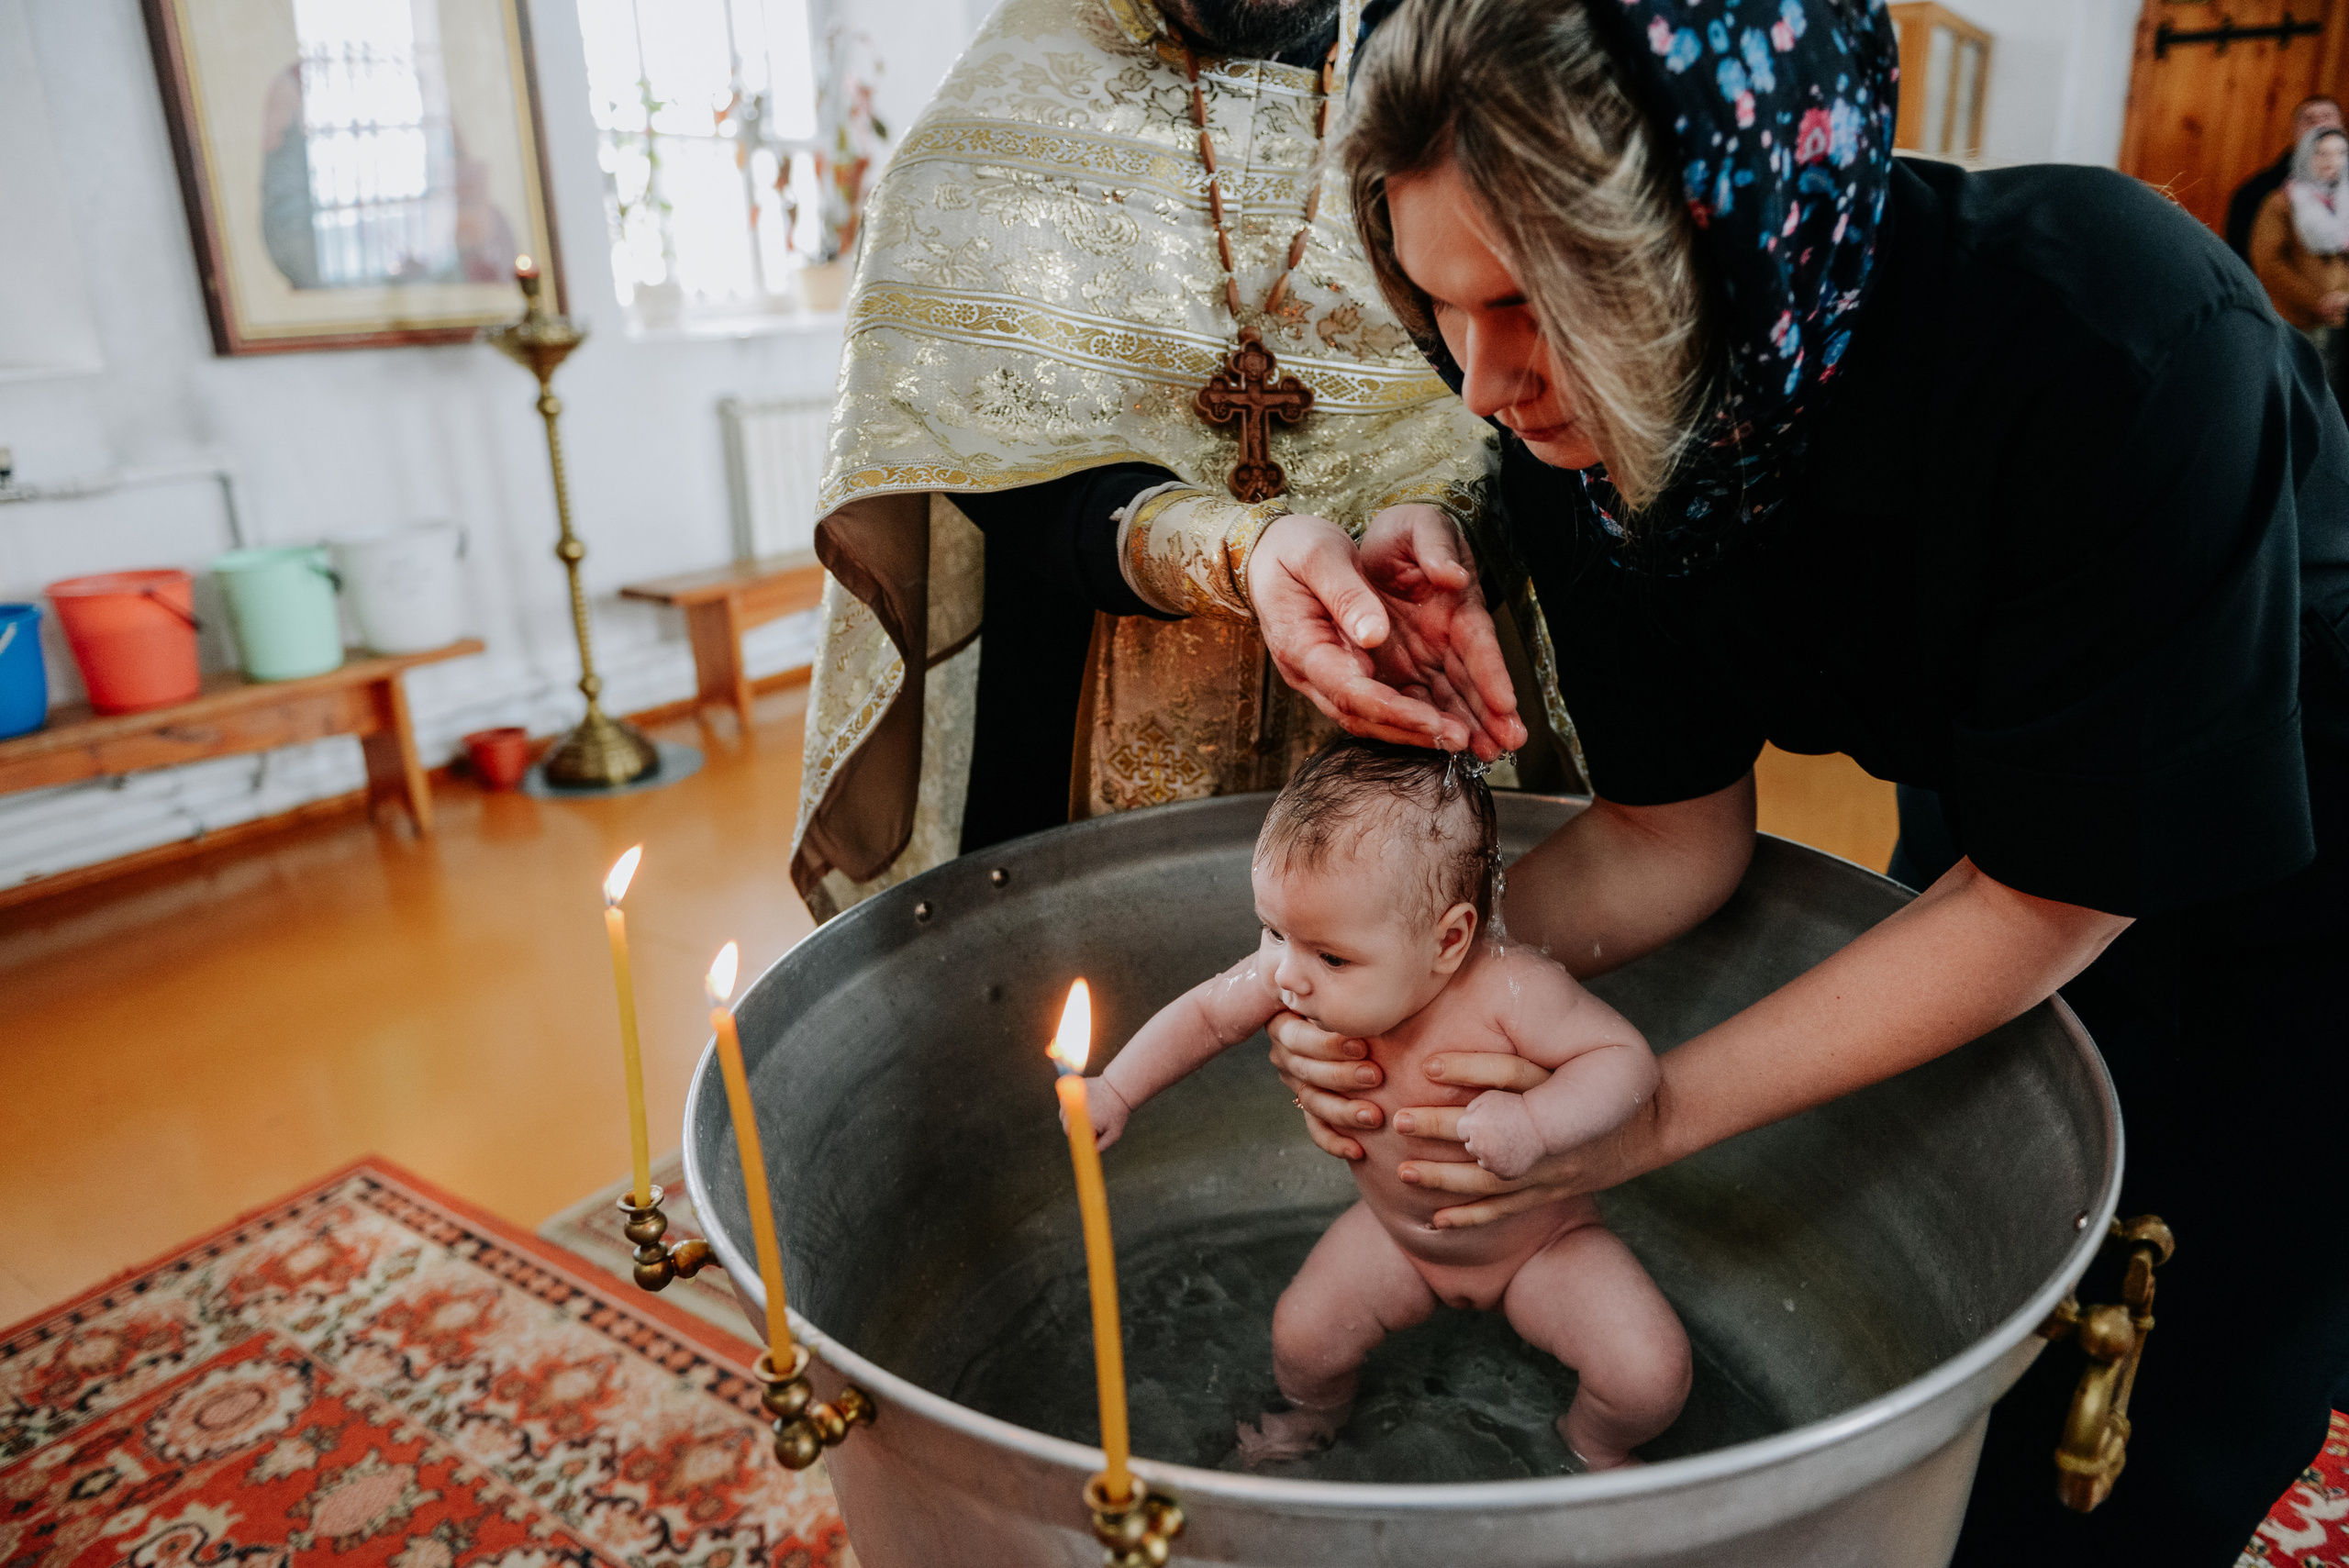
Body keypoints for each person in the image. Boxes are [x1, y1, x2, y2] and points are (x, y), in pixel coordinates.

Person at [1243, 0, 2349, 1562]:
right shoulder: (1589, 437)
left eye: (1533, 304)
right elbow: (1665, 841)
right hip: (2005, 800)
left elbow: (2056, 895)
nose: (1485, 384)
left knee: (2171, 1364)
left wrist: (1643, 1119)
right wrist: (1393, 973)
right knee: (1976, 1261)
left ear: (1715, 235)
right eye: (1445, 310)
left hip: (2309, 847)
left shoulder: (2110, 339)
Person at [787, 0, 1555, 922]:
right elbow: (977, 429)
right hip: (1077, 688)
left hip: (1414, 678)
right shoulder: (1007, 97)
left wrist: (1444, 514)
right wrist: (1231, 549)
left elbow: (1526, 393)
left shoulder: (1441, 61)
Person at [1086, 737, 1688, 1471]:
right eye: (1273, 930)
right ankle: (1315, 1421)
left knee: (1649, 1377)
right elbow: (1209, 1014)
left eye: (1331, 957)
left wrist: (1536, 1123)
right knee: (1303, 1339)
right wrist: (1115, 1087)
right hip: (1398, 1238)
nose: (1289, 976)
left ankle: (1592, 1447)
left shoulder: (1509, 991)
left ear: (1449, 939)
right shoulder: (1292, 961)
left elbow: (1625, 1062)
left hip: (1542, 1244)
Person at [2253, 125, 2349, 387]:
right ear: (2306, 155)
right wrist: (2317, 300)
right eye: (2322, 153)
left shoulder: (2345, 200)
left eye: (2340, 153)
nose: (2332, 162)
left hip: (2343, 318)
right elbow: (2269, 263)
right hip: (2300, 320)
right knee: (2301, 390)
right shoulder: (2282, 201)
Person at [2228, 95, 2344, 261]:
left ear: (2342, 129)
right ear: (2294, 132)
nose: (2319, 125)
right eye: (2309, 120)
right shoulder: (2256, 193)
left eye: (2327, 117)